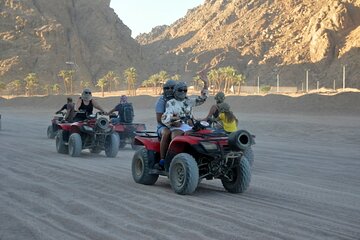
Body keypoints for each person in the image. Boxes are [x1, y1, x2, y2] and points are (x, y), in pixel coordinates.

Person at [161, 74, 209, 141]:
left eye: (185, 90)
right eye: (180, 90)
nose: (183, 92)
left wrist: (206, 84)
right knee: (176, 137)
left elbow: (202, 99)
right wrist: (175, 119)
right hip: (178, 127)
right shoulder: (171, 103)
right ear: (175, 91)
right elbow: (165, 117)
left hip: (190, 126)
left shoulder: (188, 101)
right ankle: (174, 151)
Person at [155, 79, 177, 167]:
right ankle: (163, 159)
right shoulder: (161, 101)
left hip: (178, 124)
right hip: (163, 126)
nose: (169, 90)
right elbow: (159, 119)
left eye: (172, 88)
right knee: (167, 133)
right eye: (167, 88)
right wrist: (172, 123)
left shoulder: (179, 99)